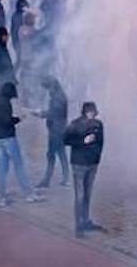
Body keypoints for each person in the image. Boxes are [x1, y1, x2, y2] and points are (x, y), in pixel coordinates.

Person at [0, 80, 39, 207]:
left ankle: (2, 197)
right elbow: (7, 121)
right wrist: (19, 119)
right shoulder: (5, 103)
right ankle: (28, 194)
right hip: (8, 138)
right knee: (18, 165)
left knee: (1, 168)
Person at [65, 102, 105, 237]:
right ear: (84, 112)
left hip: (92, 164)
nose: (91, 115)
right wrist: (83, 141)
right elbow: (65, 140)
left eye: (93, 112)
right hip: (79, 164)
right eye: (89, 112)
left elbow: (101, 143)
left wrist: (97, 160)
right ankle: (78, 227)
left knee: (87, 194)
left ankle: (86, 220)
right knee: (80, 196)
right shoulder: (75, 124)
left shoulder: (98, 125)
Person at [35, 74, 70, 189]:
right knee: (61, 154)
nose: (47, 90)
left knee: (51, 155)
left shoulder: (57, 97)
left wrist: (41, 113)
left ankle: (47, 180)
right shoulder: (60, 95)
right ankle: (66, 178)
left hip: (56, 131)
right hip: (60, 129)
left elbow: (54, 114)